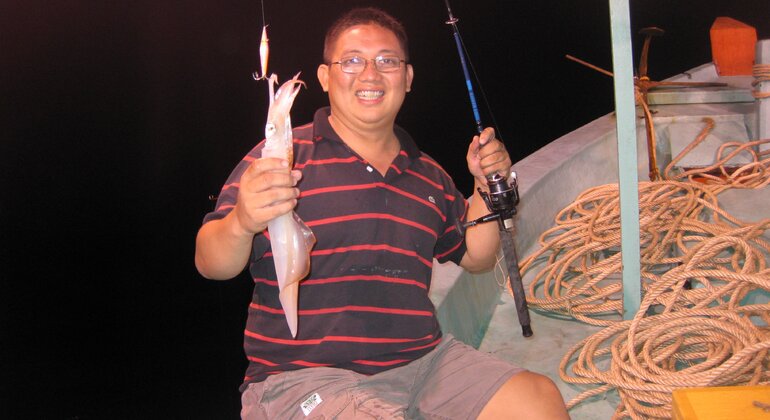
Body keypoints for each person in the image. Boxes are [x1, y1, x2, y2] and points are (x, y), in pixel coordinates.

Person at [195, 7, 569, 419]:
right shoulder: (278, 160)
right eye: (352, 60)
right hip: (302, 376)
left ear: (407, 79)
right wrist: (243, 220)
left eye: (387, 61)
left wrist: (484, 185)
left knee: (536, 400)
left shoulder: (429, 175)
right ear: (324, 77)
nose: (370, 74)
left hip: (423, 364)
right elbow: (211, 263)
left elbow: (477, 258)